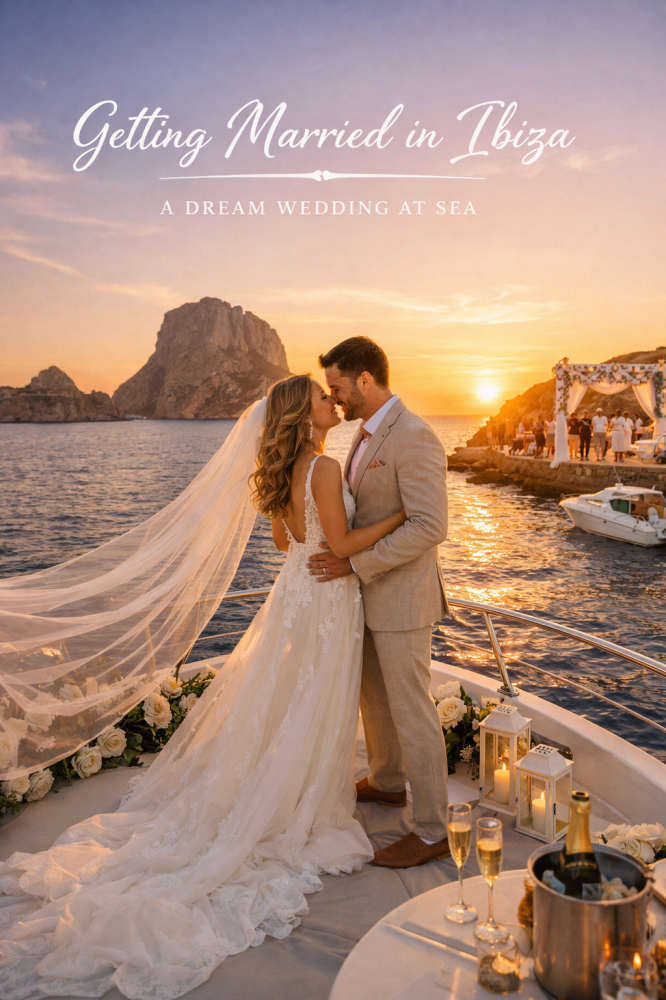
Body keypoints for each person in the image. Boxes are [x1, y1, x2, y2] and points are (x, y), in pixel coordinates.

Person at [0, 371, 428, 998]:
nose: (330, 401)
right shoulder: (325, 470)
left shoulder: (286, 472)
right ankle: (292, 801)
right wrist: (395, 521)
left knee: (288, 703)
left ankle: (273, 790)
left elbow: (287, 539)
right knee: (311, 705)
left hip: (293, 598)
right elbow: (337, 544)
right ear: (299, 414)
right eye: (319, 396)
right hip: (327, 601)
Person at [307, 336, 451, 871]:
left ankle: (433, 827)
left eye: (338, 387)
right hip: (365, 598)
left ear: (366, 380)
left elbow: (431, 525)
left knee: (412, 711)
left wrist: (356, 564)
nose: (335, 398)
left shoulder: (414, 436)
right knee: (376, 701)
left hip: (403, 600)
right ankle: (389, 783)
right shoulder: (364, 436)